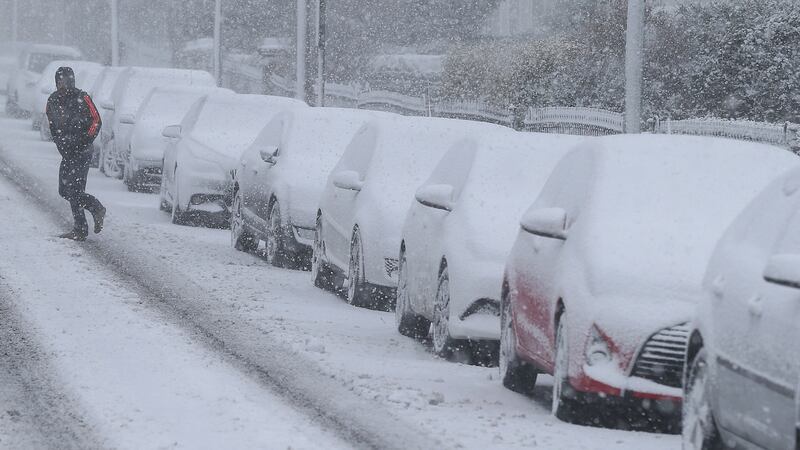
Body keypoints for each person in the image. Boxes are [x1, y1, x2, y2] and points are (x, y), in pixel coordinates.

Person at [46, 66, 105, 241]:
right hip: (67, 152)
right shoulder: (53, 100)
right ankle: (95, 208)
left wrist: (84, 140)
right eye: (61, 81)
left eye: (67, 80)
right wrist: (61, 144)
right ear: (56, 82)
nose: (64, 84)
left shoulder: (82, 97)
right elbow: (52, 125)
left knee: (74, 190)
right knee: (64, 190)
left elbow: (96, 120)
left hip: (83, 150)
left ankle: (80, 228)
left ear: (72, 80)